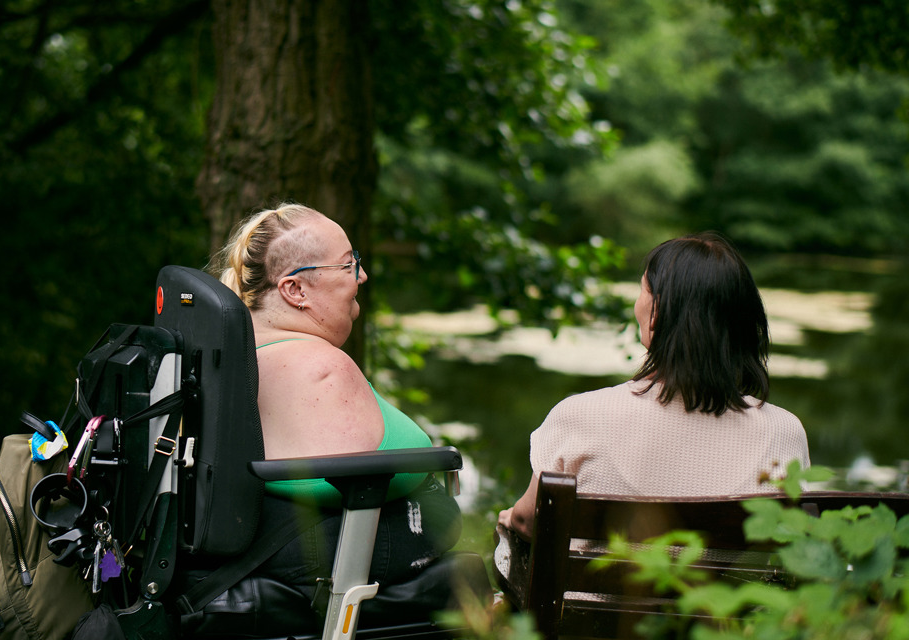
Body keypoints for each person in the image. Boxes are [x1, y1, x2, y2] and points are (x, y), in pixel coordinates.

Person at [208, 203, 461, 593]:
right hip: (337, 548)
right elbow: (360, 490)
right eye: (347, 265)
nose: (362, 275)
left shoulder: (235, 352)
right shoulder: (320, 369)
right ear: (295, 290)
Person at [497, 232, 810, 541]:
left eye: (642, 290)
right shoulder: (784, 432)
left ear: (657, 312)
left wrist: (509, 516)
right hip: (728, 594)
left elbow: (528, 522)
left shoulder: (580, 416)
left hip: (601, 593)